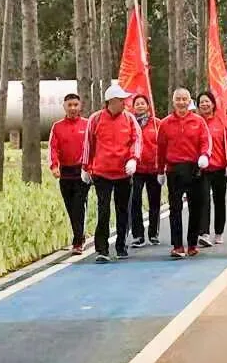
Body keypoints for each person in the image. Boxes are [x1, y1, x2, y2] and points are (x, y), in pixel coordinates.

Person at [82, 84, 142, 263]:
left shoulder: (129, 119)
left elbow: (137, 140)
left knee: (123, 210)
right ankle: (102, 249)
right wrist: (85, 167)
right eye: (121, 100)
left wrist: (133, 159)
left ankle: (121, 245)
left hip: (123, 172)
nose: (124, 103)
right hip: (102, 172)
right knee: (104, 210)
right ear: (111, 101)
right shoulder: (96, 119)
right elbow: (88, 143)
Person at [156, 88, 212, 259]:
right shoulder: (165, 123)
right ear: (173, 102)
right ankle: (177, 246)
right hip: (174, 170)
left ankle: (192, 244)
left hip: (194, 168)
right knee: (175, 209)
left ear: (190, 101)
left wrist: (204, 155)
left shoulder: (198, 121)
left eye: (184, 99)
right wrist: (160, 171)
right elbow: (161, 149)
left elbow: (206, 141)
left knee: (196, 207)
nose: (181, 102)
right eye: (178, 99)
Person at [48, 94, 90, 255]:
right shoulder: (57, 127)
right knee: (71, 208)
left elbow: (93, 147)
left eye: (75, 105)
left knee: (79, 206)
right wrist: (54, 166)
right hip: (65, 173)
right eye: (69, 105)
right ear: (64, 107)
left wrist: (90, 168)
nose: (72, 108)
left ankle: (78, 241)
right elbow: (53, 148)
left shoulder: (87, 124)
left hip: (82, 172)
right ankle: (79, 234)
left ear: (80, 106)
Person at [197, 91, 227, 246]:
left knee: (219, 201)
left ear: (213, 104)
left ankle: (219, 232)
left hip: (220, 168)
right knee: (203, 200)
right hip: (202, 169)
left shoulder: (221, 121)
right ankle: (204, 233)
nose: (204, 104)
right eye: (201, 102)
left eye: (207, 101)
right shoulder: (197, 122)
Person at [129, 95, 162, 247]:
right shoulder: (130, 123)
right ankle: (138, 235)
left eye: (143, 103)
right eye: (137, 104)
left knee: (154, 201)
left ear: (148, 106)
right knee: (135, 200)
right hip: (136, 168)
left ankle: (153, 233)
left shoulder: (156, 123)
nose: (140, 106)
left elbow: (164, 143)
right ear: (133, 107)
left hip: (154, 168)